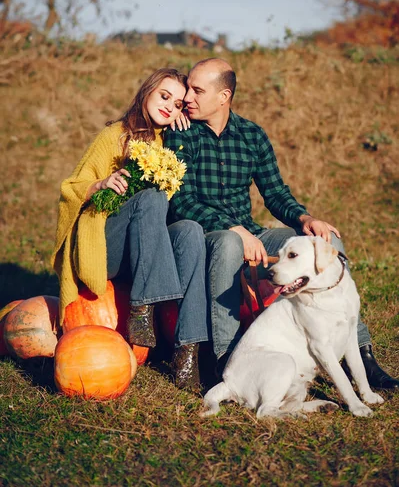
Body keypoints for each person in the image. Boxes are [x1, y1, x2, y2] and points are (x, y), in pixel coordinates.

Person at [164, 58, 399, 391]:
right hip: (205, 235)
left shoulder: (252, 135)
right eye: (188, 87)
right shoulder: (181, 134)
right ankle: (224, 360)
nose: (187, 97)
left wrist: (306, 218)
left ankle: (363, 354)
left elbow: (274, 193)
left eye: (197, 90)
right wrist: (235, 231)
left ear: (223, 96)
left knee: (325, 240)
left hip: (252, 231)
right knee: (230, 242)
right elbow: (183, 202)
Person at [52, 68, 211, 390]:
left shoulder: (170, 143)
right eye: (164, 97)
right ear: (147, 92)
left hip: (147, 252)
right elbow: (70, 187)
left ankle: (187, 351)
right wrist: (100, 184)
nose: (169, 107)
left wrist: (183, 133)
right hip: (108, 248)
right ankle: (141, 310)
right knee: (151, 198)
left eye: (179, 104)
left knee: (191, 231)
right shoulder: (115, 135)